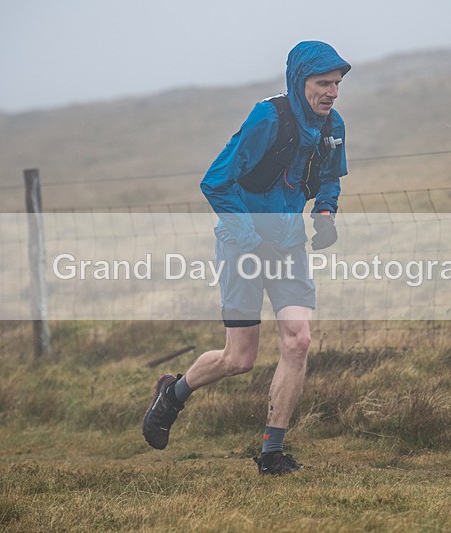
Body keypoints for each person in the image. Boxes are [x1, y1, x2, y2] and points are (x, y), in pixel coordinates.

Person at [143, 41, 351, 475]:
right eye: (322, 83)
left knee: (299, 341)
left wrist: (326, 213)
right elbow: (216, 182)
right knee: (239, 359)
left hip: (289, 246)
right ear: (300, 81)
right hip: (242, 246)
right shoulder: (267, 118)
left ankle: (271, 453)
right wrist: (248, 234)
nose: (332, 92)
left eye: (337, 83)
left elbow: (330, 176)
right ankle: (173, 393)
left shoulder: (334, 126)